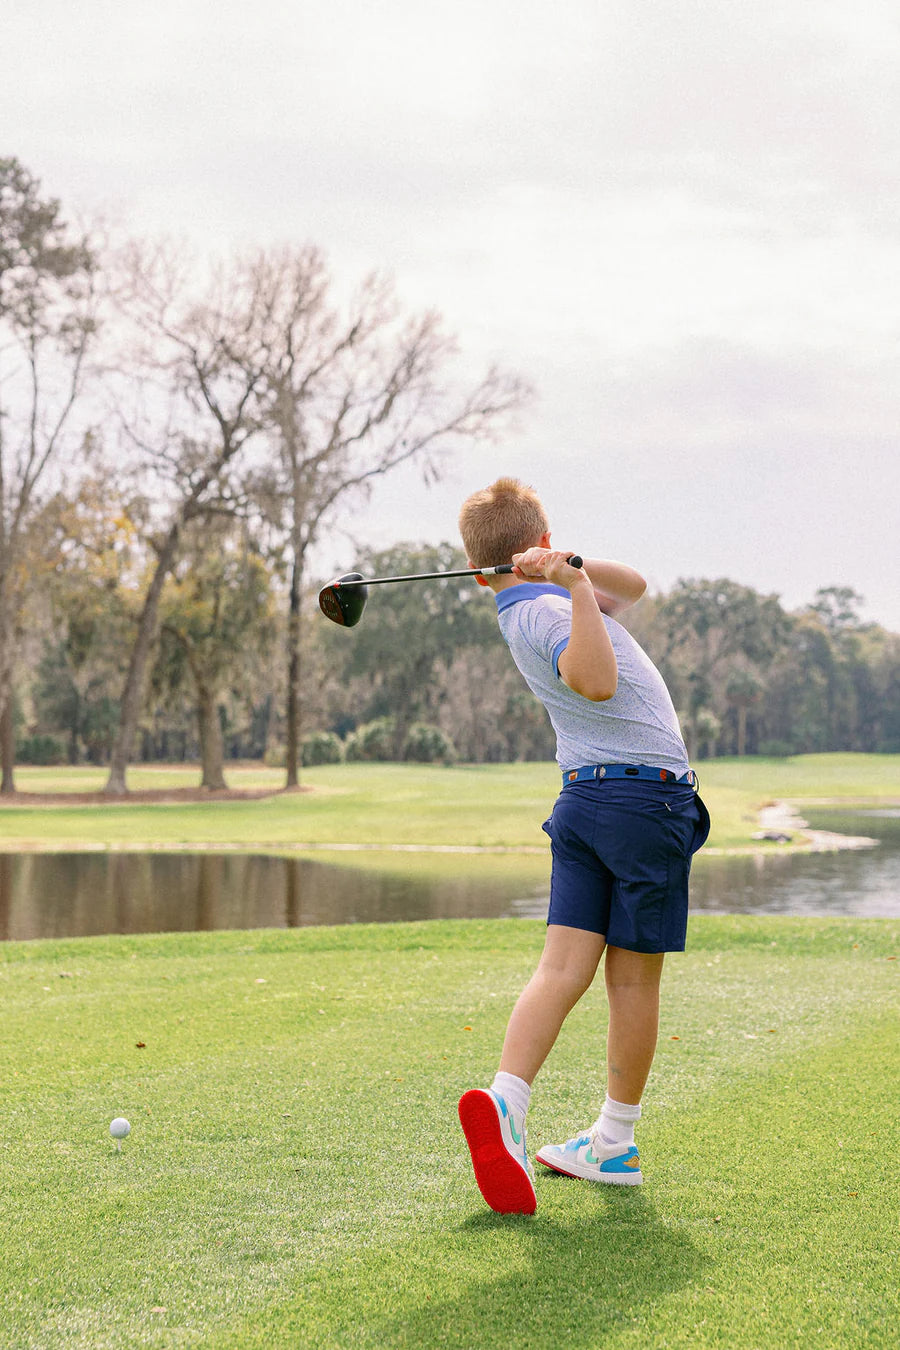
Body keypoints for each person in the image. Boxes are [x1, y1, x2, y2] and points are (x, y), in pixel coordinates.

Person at [456, 477, 710, 1215]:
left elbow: (632, 586)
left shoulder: (533, 598)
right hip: (644, 801)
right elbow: (596, 681)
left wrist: (571, 568)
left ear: (479, 573)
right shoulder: (544, 613)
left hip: (585, 801)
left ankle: (506, 1100)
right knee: (631, 980)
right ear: (533, 544)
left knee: (563, 966)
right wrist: (563, 583)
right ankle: (614, 1140)